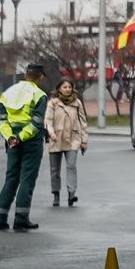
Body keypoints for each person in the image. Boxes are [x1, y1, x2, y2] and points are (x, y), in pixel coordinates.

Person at [0, 62, 49, 231]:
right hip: (31, 142)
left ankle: (0, 219)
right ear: (41, 77)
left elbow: (2, 121)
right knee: (27, 179)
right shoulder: (39, 95)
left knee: (11, 178)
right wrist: (21, 137)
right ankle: (21, 219)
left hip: (12, 142)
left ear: (25, 75)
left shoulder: (7, 93)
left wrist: (11, 137)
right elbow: (37, 123)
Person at [45, 78, 89, 208]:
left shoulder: (77, 102)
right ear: (59, 89)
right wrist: (51, 133)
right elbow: (48, 121)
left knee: (71, 166)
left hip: (73, 139)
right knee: (55, 170)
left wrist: (84, 141)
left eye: (69, 87)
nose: (67, 89)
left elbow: (83, 122)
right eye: (64, 87)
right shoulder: (53, 103)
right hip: (56, 139)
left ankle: (71, 194)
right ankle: (56, 194)